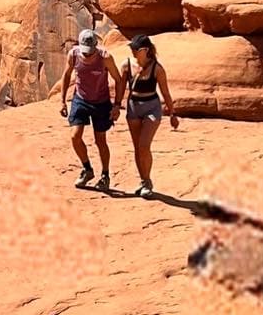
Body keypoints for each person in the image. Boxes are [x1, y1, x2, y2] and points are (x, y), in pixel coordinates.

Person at [60, 28, 125, 189]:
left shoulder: (105, 58)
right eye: (85, 52)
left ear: (96, 46)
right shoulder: (74, 55)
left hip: (101, 102)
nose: (87, 55)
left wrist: (117, 105)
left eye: (90, 52)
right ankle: (87, 169)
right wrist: (62, 101)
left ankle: (105, 175)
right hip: (80, 99)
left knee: (100, 140)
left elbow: (118, 80)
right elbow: (67, 75)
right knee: (75, 136)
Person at [119, 34, 178, 199]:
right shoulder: (126, 65)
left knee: (144, 145)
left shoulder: (157, 69)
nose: (132, 50)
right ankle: (143, 181)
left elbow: (165, 92)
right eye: (131, 47)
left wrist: (172, 113)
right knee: (138, 147)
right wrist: (116, 106)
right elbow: (121, 87)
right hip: (133, 106)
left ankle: (148, 181)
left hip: (152, 107)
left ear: (145, 50)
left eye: (135, 49)